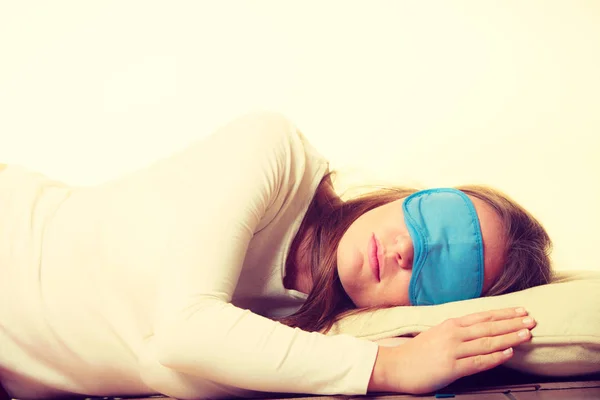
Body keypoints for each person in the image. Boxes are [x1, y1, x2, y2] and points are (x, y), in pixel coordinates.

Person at [0, 111, 553, 399]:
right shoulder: (273, 149)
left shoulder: (315, 337)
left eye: (446, 268)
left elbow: (160, 364)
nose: (409, 248)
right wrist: (391, 366)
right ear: (410, 195)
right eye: (433, 218)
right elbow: (182, 333)